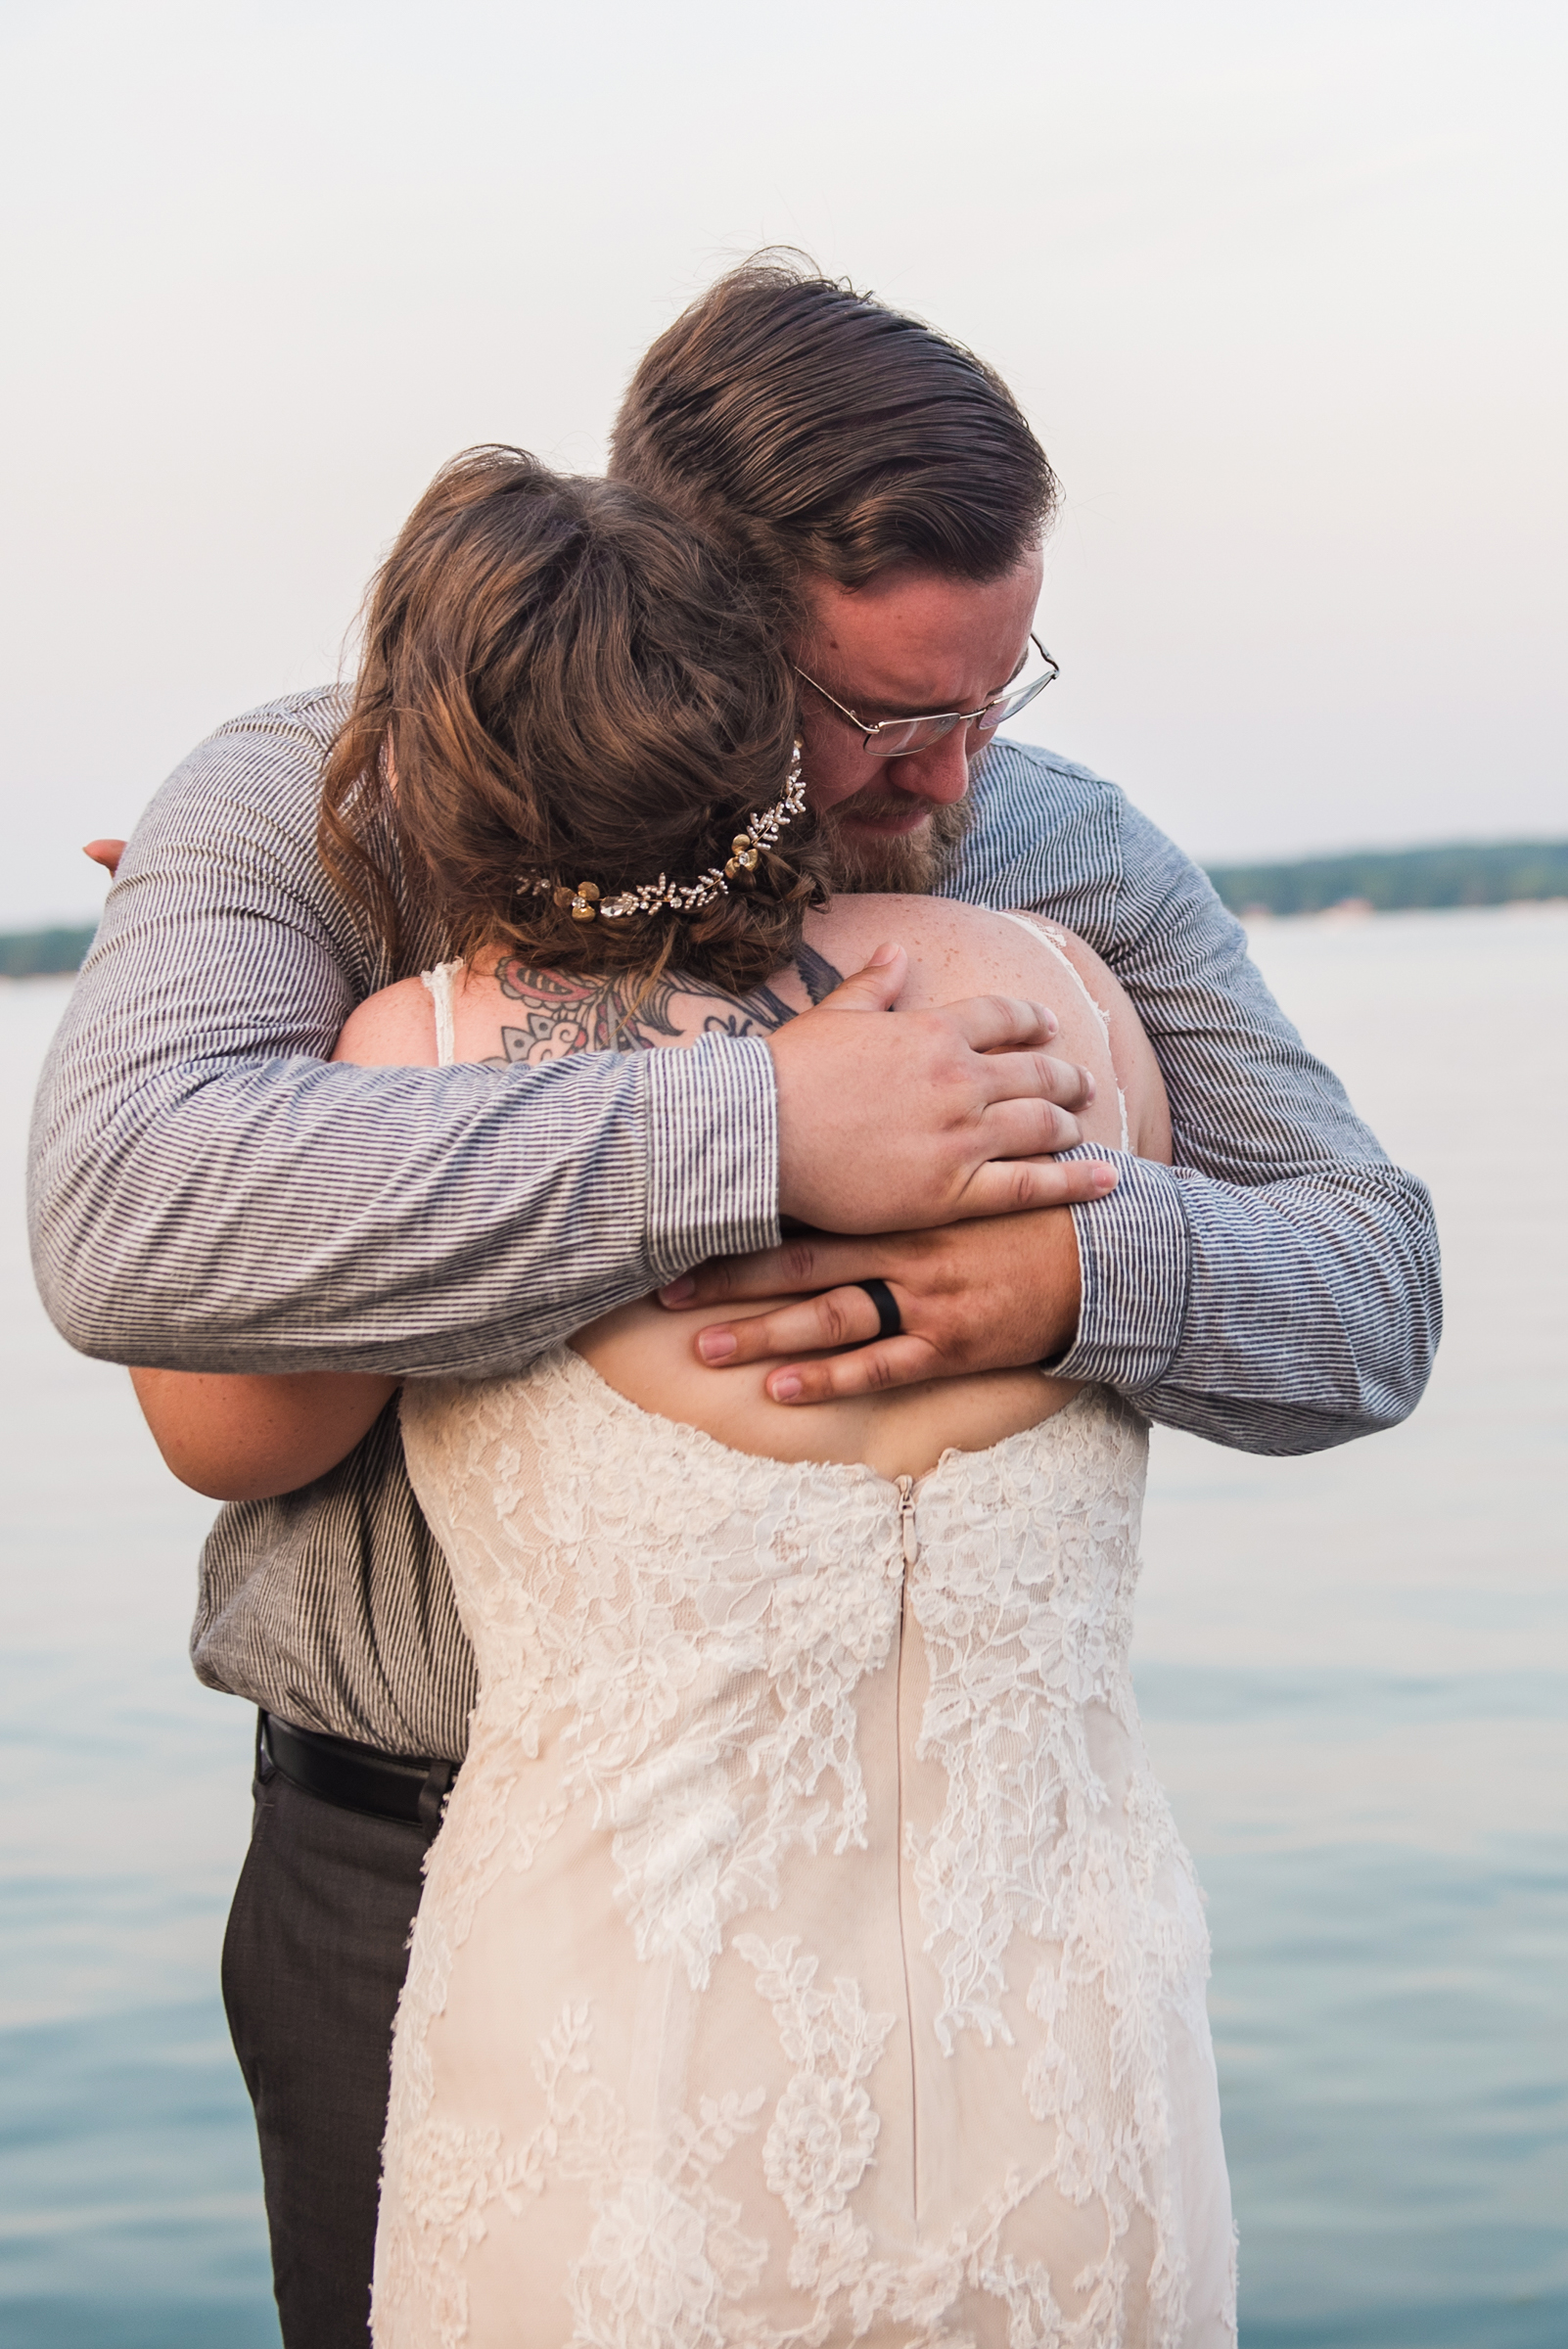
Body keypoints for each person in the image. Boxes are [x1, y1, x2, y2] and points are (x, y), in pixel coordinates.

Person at [27, 258, 1438, 2346]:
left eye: (997, 691)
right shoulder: (318, 808)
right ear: (684, 614)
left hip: (978, 1922)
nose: (953, 781)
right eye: (886, 714)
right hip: (424, 1879)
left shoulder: (1060, 856)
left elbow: (1373, 1283)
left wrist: (1071, 1271)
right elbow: (129, 1213)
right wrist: (759, 1128)